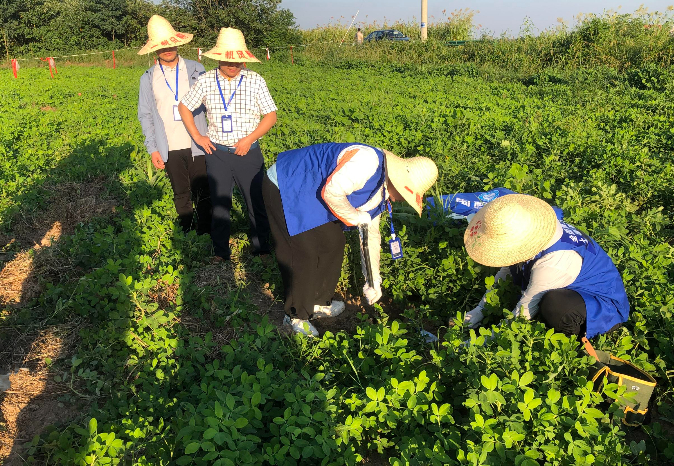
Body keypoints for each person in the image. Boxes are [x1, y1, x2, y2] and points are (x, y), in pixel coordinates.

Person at [262, 143, 438, 337]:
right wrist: (355, 217)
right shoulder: (366, 163)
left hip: (315, 191)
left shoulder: (382, 192)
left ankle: (318, 302)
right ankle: (296, 315)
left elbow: (369, 236)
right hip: (288, 183)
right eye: (407, 193)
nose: (405, 199)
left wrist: (373, 279)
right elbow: (332, 192)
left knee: (334, 242)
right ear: (397, 180)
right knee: (305, 252)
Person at [462, 193, 630, 339]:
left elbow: (524, 311)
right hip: (561, 280)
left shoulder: (554, 263)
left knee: (555, 306)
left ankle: (571, 340)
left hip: (602, 307)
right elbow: (507, 268)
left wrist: (482, 343)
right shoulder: (535, 228)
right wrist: (479, 310)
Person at [178, 28, 276, 262]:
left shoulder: (255, 80)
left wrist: (249, 139)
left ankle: (262, 248)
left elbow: (270, 115)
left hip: (248, 153)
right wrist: (198, 137)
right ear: (218, 57)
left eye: (237, 60)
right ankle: (221, 251)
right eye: (227, 59)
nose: (232, 65)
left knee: (255, 202)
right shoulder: (206, 80)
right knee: (220, 204)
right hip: (218, 154)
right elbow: (185, 107)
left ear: (244, 58)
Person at [137, 15, 212, 235]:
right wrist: (152, 148)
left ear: (177, 43)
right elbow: (146, 115)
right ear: (154, 50)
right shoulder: (148, 78)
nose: (167, 49)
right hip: (168, 144)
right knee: (181, 192)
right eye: (161, 45)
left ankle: (206, 231)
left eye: (170, 43)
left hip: (197, 140)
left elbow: (211, 104)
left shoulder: (196, 69)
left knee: (203, 189)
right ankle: (186, 230)